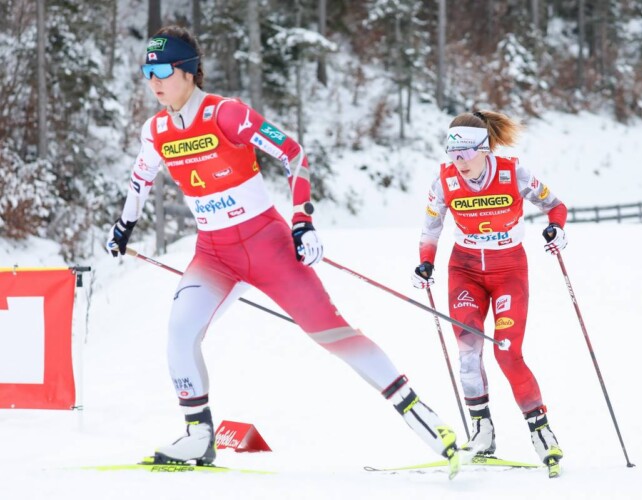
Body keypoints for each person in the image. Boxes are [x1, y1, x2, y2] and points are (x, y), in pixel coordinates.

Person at [105, 24, 460, 475]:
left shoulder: (225, 114)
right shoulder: (155, 130)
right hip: (214, 253)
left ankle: (419, 414)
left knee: (331, 332)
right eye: (146, 71)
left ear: (189, 72)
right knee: (180, 332)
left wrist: (303, 221)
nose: (153, 80)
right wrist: (123, 225)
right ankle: (198, 435)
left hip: (267, 244)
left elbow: (293, 155)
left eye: (162, 69)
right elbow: (141, 178)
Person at [411, 110, 567, 475]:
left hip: (508, 271)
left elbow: (555, 205)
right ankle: (482, 430)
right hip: (464, 271)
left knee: (507, 352)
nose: (458, 162)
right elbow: (430, 229)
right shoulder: (444, 181)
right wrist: (425, 262)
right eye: (452, 154)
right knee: (468, 353)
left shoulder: (514, 173)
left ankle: (540, 430)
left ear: (483, 148)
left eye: (464, 153)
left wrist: (556, 229)